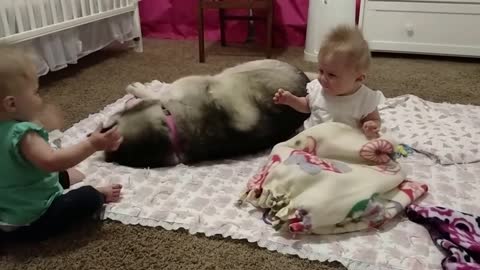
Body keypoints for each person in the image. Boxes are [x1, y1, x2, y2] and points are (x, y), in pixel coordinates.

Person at [0, 46, 123, 241]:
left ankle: (62, 181)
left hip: (8, 207)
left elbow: (18, 161)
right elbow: (52, 161)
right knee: (86, 198)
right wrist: (92, 144)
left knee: (52, 174)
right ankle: (99, 194)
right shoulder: (23, 134)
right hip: (32, 218)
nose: (39, 98)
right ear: (11, 104)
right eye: (35, 92)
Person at [273, 25, 384, 139]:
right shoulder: (318, 88)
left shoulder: (365, 99)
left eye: (331, 75)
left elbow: (374, 119)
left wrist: (371, 125)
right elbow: (307, 106)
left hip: (343, 143)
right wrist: (291, 100)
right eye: (321, 71)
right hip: (312, 138)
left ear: (359, 78)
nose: (322, 78)